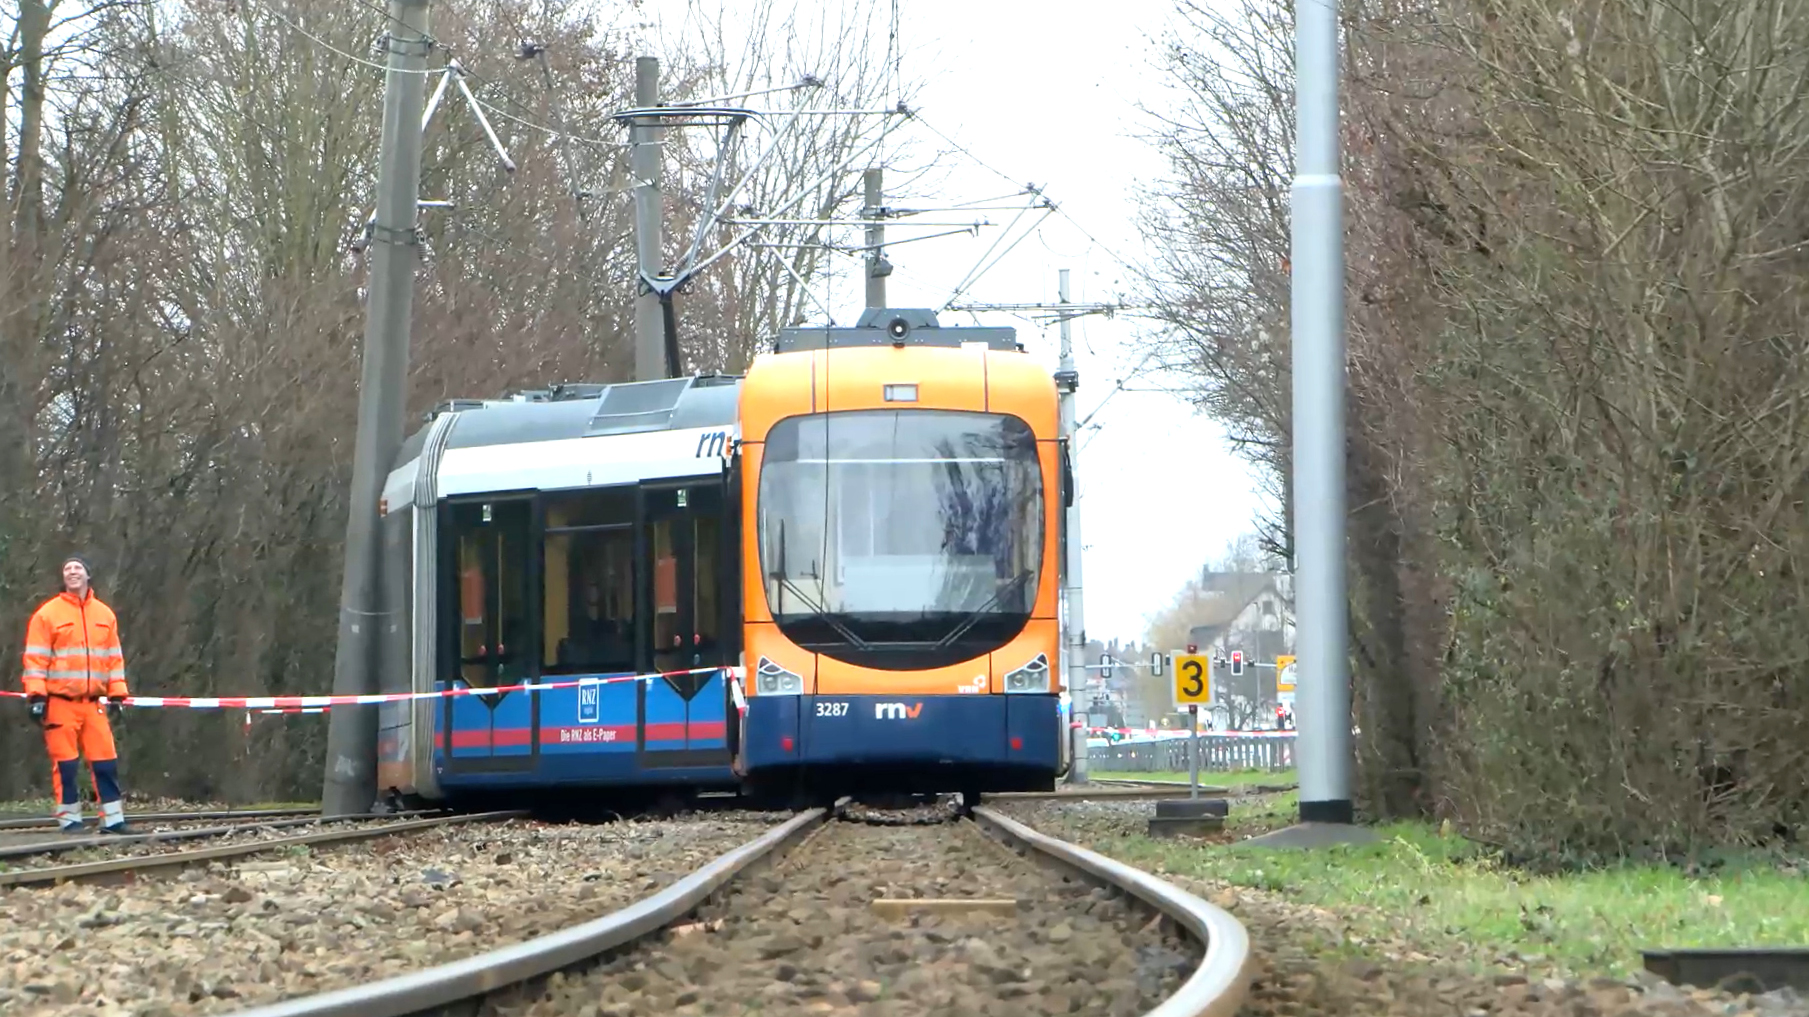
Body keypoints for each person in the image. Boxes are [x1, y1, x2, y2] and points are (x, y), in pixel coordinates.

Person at [21, 555, 132, 833]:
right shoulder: (47, 614)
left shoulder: (105, 615)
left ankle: (114, 820)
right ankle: (70, 821)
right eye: (67, 568)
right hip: (60, 703)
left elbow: (114, 659)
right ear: (63, 577)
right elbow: (35, 659)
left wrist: (117, 695)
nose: (72, 572)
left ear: (87, 575)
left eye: (77, 568)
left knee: (106, 761)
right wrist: (36, 697)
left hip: (93, 703)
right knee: (66, 765)